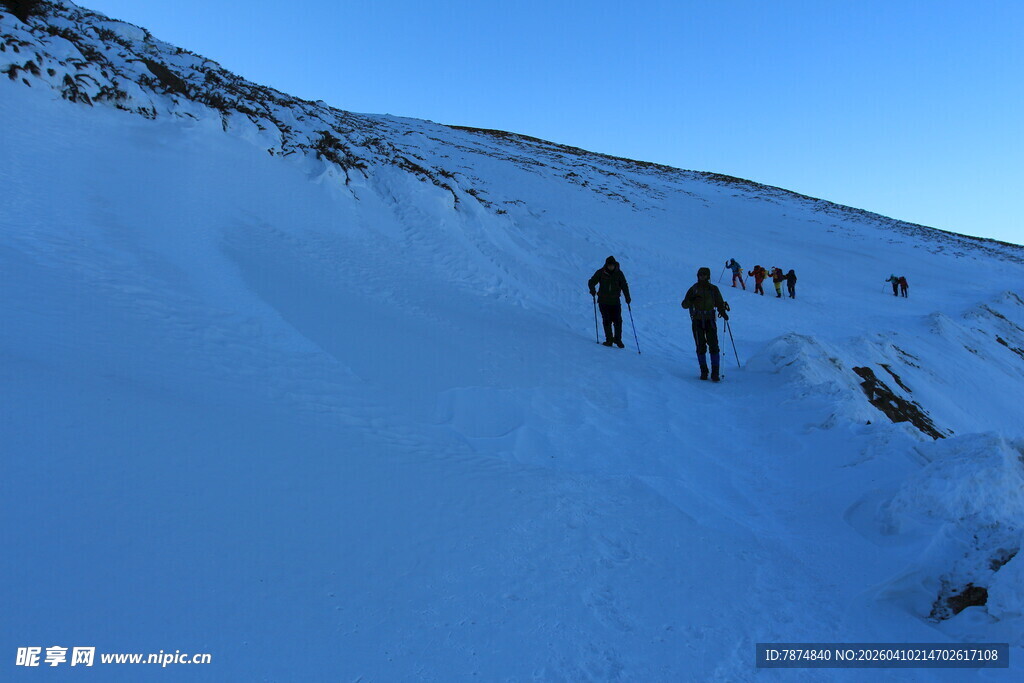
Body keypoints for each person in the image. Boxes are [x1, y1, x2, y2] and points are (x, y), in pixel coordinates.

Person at [681, 267, 729, 381]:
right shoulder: (694, 289)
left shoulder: (713, 289)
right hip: (697, 320)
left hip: (709, 320)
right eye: (700, 274)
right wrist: (691, 299)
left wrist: (723, 312)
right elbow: (684, 305)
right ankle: (704, 371)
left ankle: (715, 372)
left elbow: (719, 303)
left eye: (704, 275)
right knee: (700, 346)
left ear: (708, 276)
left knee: (713, 346)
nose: (702, 276)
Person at [588, 256, 631, 348]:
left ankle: (618, 340)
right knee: (607, 320)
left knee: (618, 321)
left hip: (615, 301)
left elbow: (624, 285)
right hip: (603, 301)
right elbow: (591, 282)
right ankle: (609, 340)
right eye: (609, 265)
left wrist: (627, 297)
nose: (610, 267)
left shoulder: (619, 274)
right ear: (606, 265)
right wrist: (592, 290)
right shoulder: (601, 272)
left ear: (615, 265)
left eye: (612, 265)